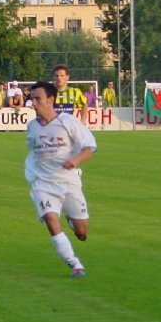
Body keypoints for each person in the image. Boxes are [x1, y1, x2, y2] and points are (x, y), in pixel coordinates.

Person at [24, 81, 97, 278]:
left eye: (38, 99)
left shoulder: (68, 122)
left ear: (51, 99)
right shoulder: (31, 127)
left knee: (82, 234)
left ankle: (71, 219)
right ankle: (75, 264)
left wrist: (74, 161)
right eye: (32, 99)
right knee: (50, 218)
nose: (34, 103)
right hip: (43, 184)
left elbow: (90, 147)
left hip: (69, 182)